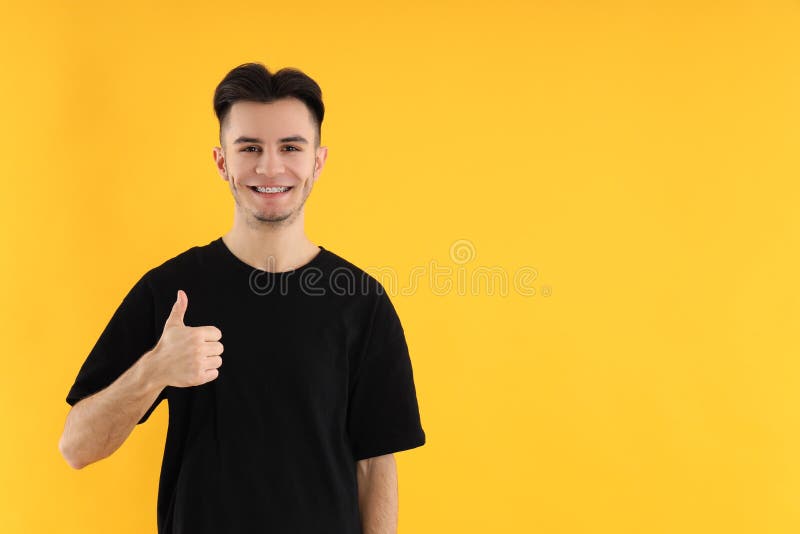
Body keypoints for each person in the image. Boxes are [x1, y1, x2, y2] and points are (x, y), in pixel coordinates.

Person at [59, 62, 426, 534]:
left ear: (318, 160)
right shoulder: (171, 292)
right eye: (249, 147)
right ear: (221, 162)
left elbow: (375, 466)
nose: (269, 167)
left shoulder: (362, 302)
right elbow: (76, 448)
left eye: (290, 147)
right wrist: (155, 370)